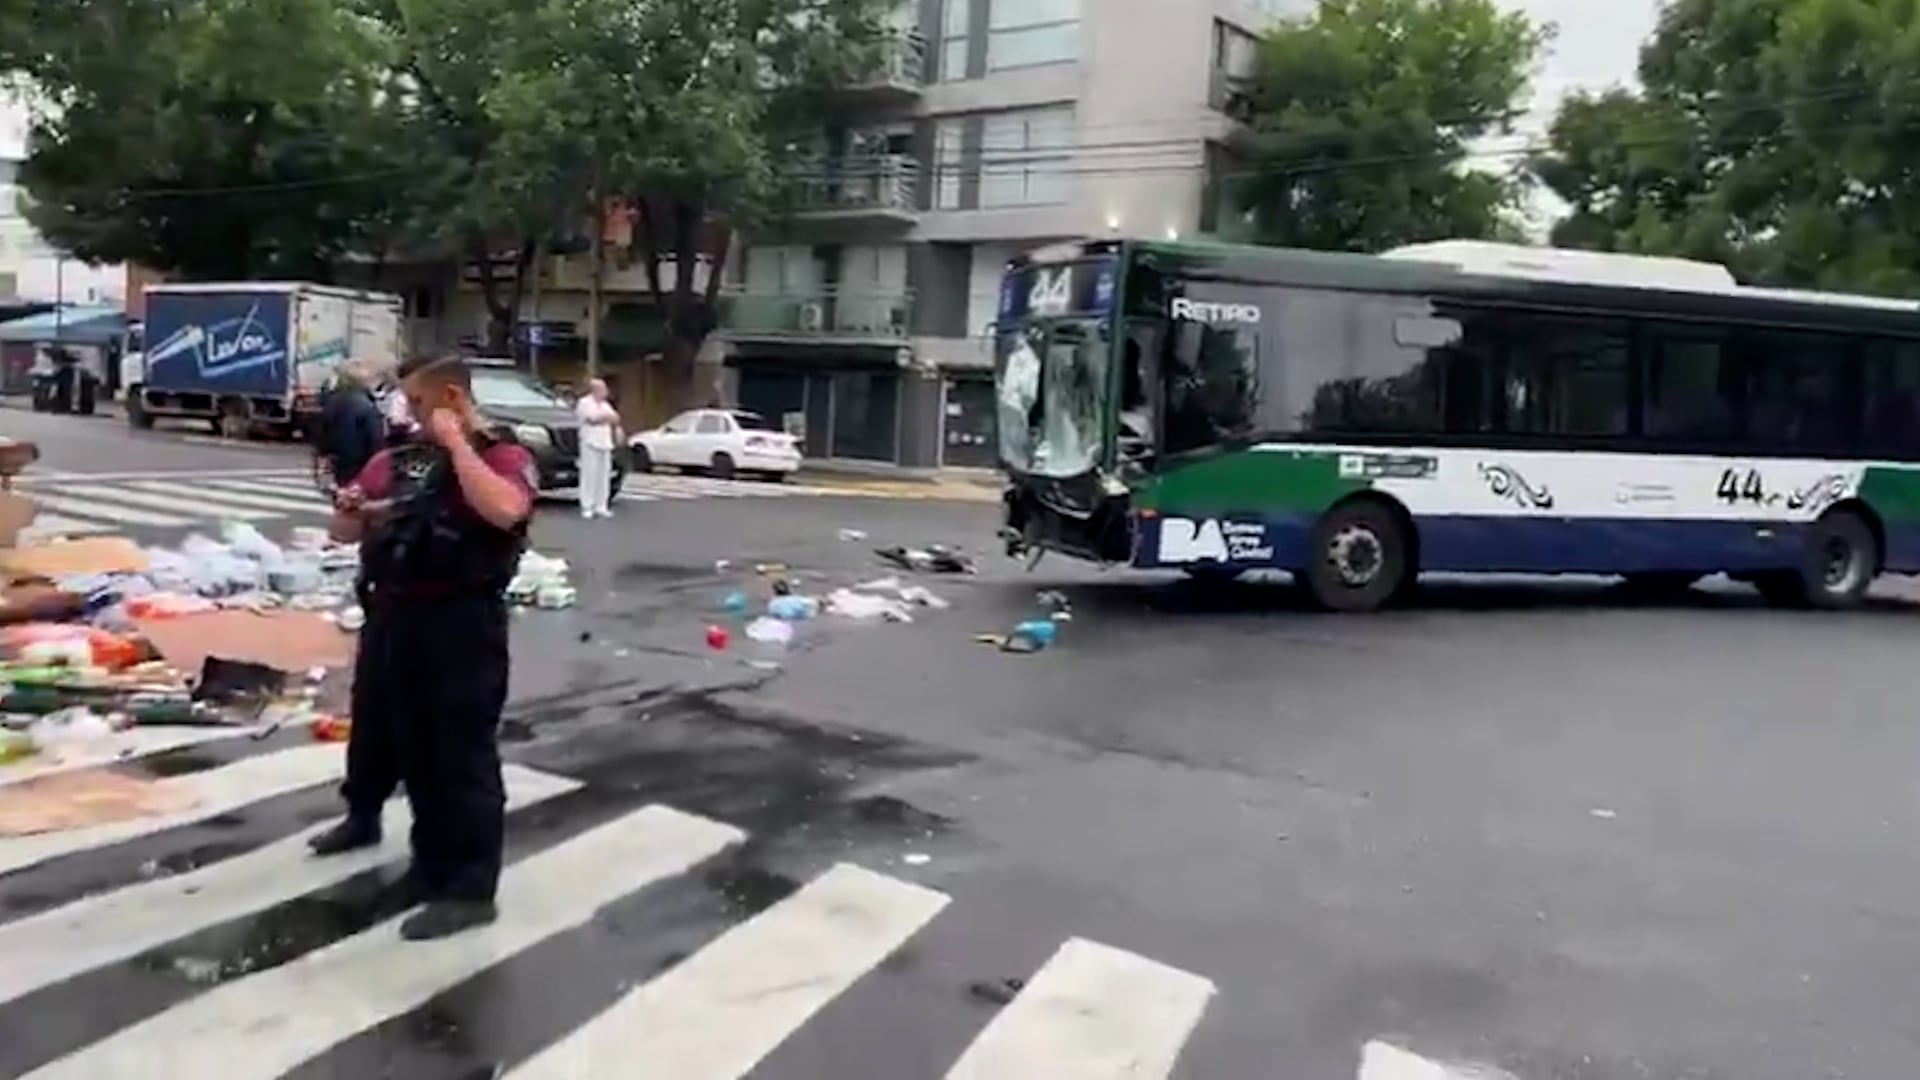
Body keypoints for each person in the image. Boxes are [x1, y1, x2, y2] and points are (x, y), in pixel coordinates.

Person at [319, 352, 537, 941]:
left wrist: (459, 443)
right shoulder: (403, 459)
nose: (408, 412)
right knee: (415, 751)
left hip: (462, 620)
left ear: (452, 398)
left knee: (460, 756)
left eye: (420, 402)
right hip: (397, 614)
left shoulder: (501, 454)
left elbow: (506, 508)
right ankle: (430, 865)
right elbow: (353, 527)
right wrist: (355, 510)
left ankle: (470, 887)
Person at [313, 363, 385, 494]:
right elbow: (375, 438)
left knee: (343, 497)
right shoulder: (367, 406)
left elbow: (321, 434)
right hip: (361, 462)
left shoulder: (332, 403)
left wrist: (322, 455)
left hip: (339, 463)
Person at [573, 377, 620, 518]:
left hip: (605, 442)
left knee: (603, 475)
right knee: (589, 475)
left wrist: (605, 417)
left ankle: (601, 505)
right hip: (590, 442)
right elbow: (592, 419)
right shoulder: (584, 403)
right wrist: (606, 418)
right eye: (601, 389)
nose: (605, 391)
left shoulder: (605, 404)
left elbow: (616, 418)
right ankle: (587, 506)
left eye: (605, 388)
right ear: (594, 390)